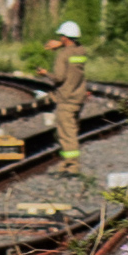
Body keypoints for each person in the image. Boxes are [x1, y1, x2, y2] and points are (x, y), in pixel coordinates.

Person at [43, 20, 89, 173]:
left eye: (61, 36)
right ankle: (66, 164)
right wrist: (62, 45)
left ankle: (72, 165)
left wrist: (45, 74)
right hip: (78, 96)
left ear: (64, 37)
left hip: (66, 99)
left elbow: (59, 77)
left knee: (66, 134)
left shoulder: (63, 55)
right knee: (71, 130)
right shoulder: (81, 51)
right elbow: (74, 49)